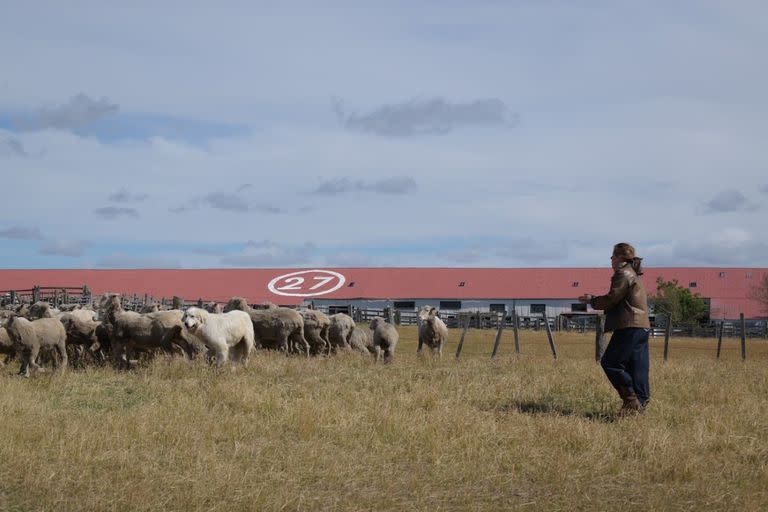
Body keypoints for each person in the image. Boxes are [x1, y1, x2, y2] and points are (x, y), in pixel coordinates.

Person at [579, 242, 651, 414]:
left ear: (619, 257)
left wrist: (592, 300)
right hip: (642, 326)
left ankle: (631, 401)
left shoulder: (623, 273)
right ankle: (641, 402)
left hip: (629, 325)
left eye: (612, 257)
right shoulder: (634, 273)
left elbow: (612, 299)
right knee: (637, 367)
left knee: (611, 363)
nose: (611, 260)